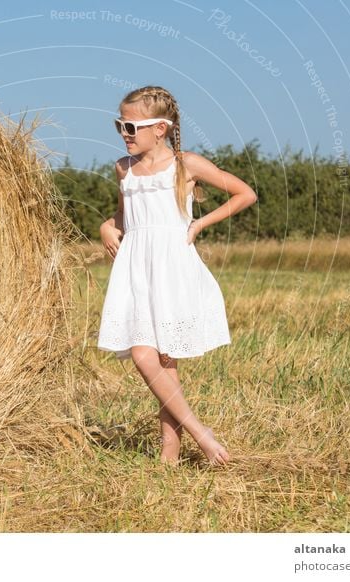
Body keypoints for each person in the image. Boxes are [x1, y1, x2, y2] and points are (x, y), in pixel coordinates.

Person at [97, 86, 257, 466]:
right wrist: (107, 226)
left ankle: (179, 444)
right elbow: (124, 215)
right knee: (147, 357)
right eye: (120, 125)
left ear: (161, 129)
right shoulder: (124, 168)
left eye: (132, 126)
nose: (124, 133)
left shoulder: (186, 164)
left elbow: (244, 193)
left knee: (162, 360)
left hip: (172, 266)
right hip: (136, 267)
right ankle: (192, 439)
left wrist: (200, 224)